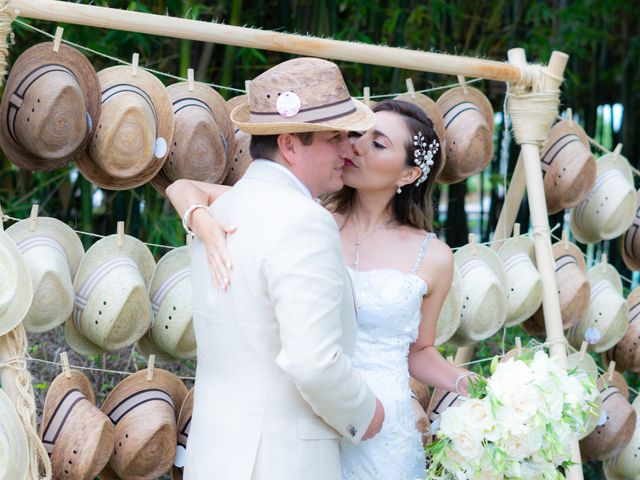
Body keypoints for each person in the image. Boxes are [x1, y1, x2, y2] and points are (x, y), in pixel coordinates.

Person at [191, 98, 478, 479]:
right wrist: (198, 218)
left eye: (378, 144)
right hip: (310, 416)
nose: (355, 147)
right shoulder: (307, 218)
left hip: (382, 427)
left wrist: (472, 385)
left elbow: (418, 350)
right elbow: (184, 187)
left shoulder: (435, 256)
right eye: (356, 134)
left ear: (408, 175)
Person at [167, 57, 385, 480]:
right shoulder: (304, 221)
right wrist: (365, 411)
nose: (348, 150)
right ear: (289, 145)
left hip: (216, 456)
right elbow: (312, 360)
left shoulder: (221, 210)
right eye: (334, 137)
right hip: (280, 460)